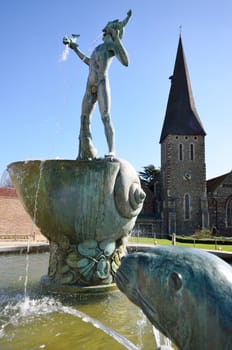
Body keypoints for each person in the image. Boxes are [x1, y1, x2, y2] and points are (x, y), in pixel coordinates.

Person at [63, 10, 132, 159]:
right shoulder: (97, 48)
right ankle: (82, 153)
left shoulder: (111, 47)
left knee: (105, 116)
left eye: (107, 26)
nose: (103, 29)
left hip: (101, 83)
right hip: (89, 86)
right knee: (83, 118)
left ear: (113, 30)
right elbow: (89, 62)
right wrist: (75, 49)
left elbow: (126, 62)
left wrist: (116, 38)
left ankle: (112, 150)